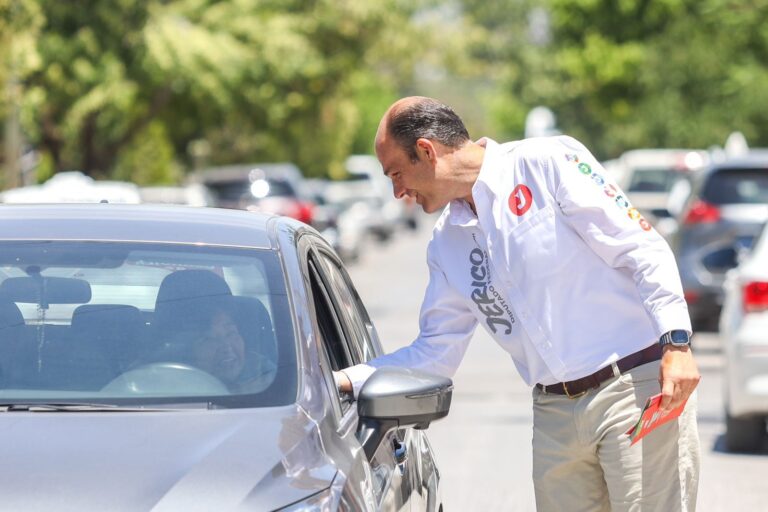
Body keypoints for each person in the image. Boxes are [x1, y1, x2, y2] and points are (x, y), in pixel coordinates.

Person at [335, 97, 700, 511]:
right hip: (554, 414)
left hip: (632, 390)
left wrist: (677, 344)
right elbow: (433, 354)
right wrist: (344, 382)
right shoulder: (446, 243)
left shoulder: (546, 162)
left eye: (396, 173)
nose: (398, 191)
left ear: (426, 151)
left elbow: (642, 248)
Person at [165, 298, 276, 393]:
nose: (226, 347)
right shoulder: (167, 387)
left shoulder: (269, 380)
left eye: (231, 334)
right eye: (209, 339)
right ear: (189, 352)